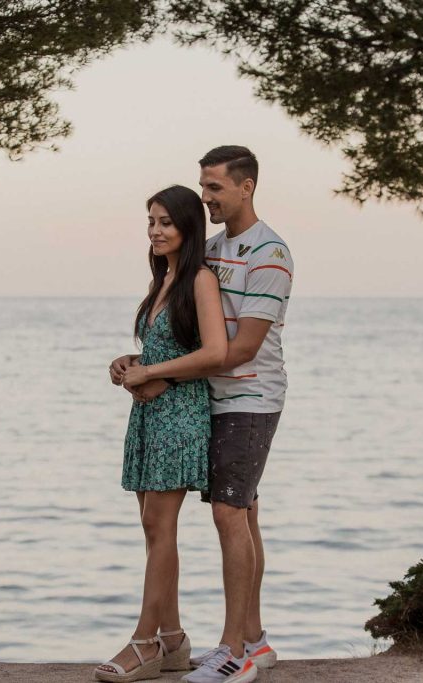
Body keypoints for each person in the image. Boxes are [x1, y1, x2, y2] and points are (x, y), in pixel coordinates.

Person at [127, 146, 293, 683]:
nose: (206, 197)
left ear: (246, 187)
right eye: (203, 187)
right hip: (206, 401)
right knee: (242, 515)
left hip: (250, 398)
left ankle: (233, 651)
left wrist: (162, 377)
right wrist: (144, 361)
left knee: (228, 514)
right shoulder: (213, 250)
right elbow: (190, 331)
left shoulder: (269, 252)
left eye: (215, 188)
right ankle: (256, 641)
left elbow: (239, 349)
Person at [97, 185, 228, 683]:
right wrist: (131, 363)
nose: (155, 230)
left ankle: (142, 641)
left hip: (181, 414)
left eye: (165, 223)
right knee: (152, 530)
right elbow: (169, 347)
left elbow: (215, 352)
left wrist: (158, 375)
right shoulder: (164, 280)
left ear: (188, 227)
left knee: (160, 527)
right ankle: (171, 639)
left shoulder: (199, 279)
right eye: (150, 221)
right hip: (150, 416)